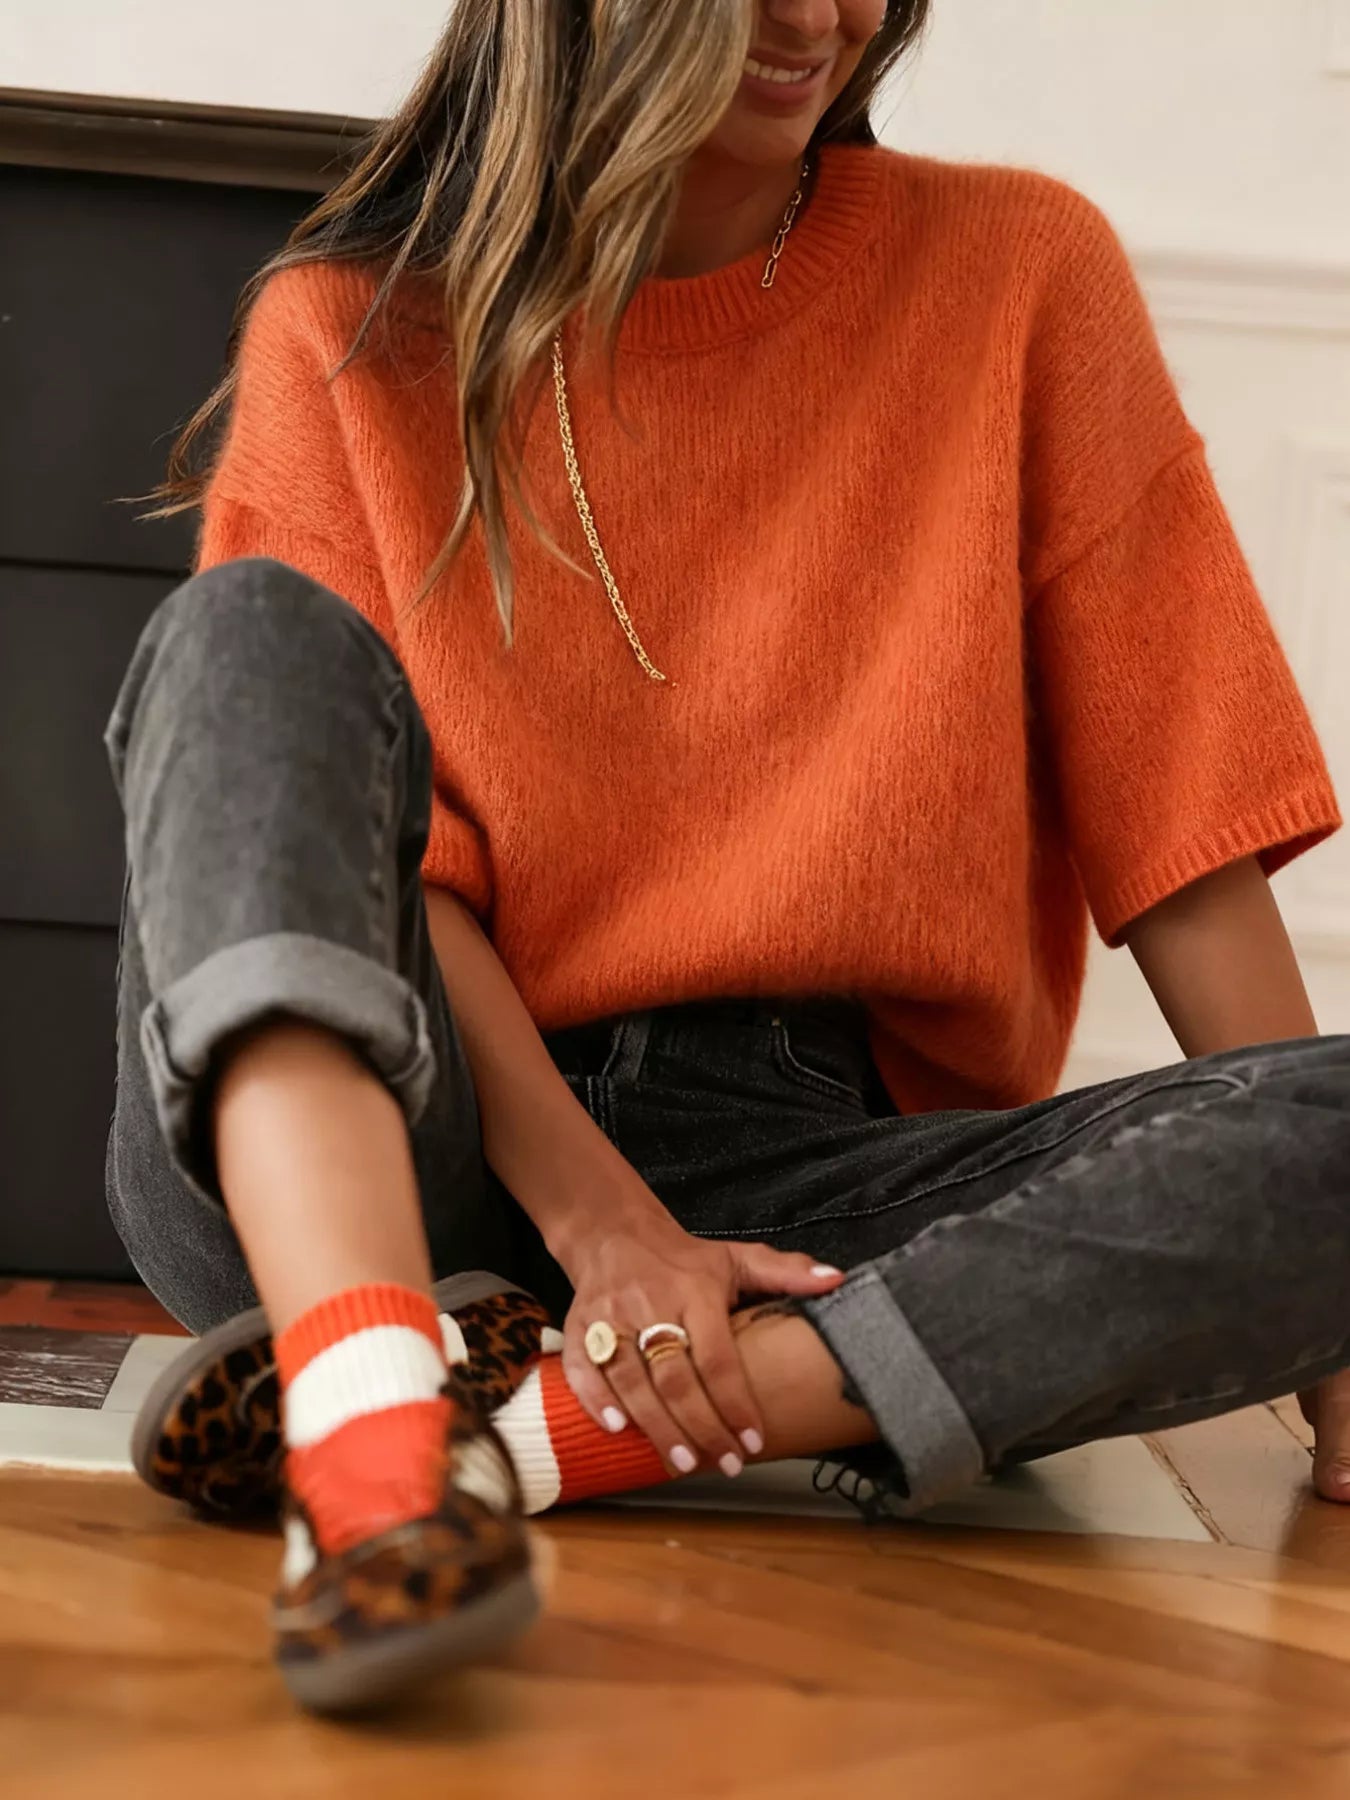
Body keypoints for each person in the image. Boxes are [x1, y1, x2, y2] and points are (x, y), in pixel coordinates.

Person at [108, 0, 1349, 1716]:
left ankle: (500, 1438)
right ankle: (377, 1417)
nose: (819, 16)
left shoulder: (1014, 276)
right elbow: (393, 882)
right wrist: (604, 1226)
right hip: (393, 1135)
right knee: (245, 637)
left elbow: (1185, 818)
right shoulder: (349, 335)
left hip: (814, 1191)